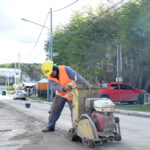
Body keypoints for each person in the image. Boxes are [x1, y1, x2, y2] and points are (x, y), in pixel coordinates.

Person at [41, 60, 91, 132]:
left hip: (72, 94)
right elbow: (56, 86)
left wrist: (87, 84)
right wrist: (63, 88)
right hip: (60, 95)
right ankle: (50, 126)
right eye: (49, 74)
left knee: (75, 112)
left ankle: (76, 129)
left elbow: (78, 78)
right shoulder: (50, 78)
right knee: (54, 111)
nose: (51, 75)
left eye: (51, 72)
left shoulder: (65, 69)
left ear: (53, 68)